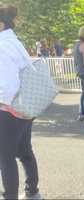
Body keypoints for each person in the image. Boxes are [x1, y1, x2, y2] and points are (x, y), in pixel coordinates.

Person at [0, 4, 41, 199]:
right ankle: (32, 192)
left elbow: (8, 84)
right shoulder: (13, 41)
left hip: (9, 108)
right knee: (24, 151)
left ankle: (10, 196)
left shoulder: (2, 45)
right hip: (26, 106)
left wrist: (5, 103)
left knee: (5, 157)